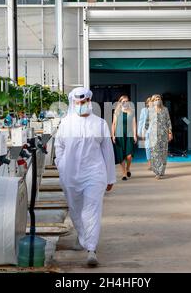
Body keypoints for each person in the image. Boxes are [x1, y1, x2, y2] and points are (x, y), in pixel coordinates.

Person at [54, 87, 116, 267]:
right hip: (70, 174)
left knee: (92, 210)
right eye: (79, 103)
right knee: (76, 210)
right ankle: (82, 237)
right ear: (74, 103)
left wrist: (110, 177)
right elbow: (59, 147)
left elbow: (108, 152)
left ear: (90, 102)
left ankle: (91, 249)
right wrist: (61, 165)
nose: (82, 105)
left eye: (85, 102)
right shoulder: (66, 123)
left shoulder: (100, 123)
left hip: (95, 174)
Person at [145, 94, 173, 180]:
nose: (157, 100)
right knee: (155, 153)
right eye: (156, 99)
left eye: (159, 98)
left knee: (163, 153)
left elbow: (168, 121)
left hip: (163, 134)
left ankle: (162, 171)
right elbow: (146, 123)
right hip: (153, 135)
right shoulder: (150, 110)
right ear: (153, 101)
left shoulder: (165, 110)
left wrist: (170, 132)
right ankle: (157, 172)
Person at [111, 95, 137, 181]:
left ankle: (128, 168)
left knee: (129, 156)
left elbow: (134, 124)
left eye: (127, 101)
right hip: (119, 135)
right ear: (120, 102)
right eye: (123, 101)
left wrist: (135, 135)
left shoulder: (131, 111)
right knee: (121, 155)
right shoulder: (117, 112)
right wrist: (113, 135)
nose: (125, 103)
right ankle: (124, 173)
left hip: (129, 135)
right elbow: (113, 124)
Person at [137, 97, 152, 170]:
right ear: (147, 103)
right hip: (146, 131)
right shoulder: (144, 110)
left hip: (155, 132)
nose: (151, 103)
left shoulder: (156, 110)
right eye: (149, 101)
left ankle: (156, 163)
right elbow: (141, 121)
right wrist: (140, 132)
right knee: (148, 147)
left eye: (152, 101)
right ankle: (149, 164)